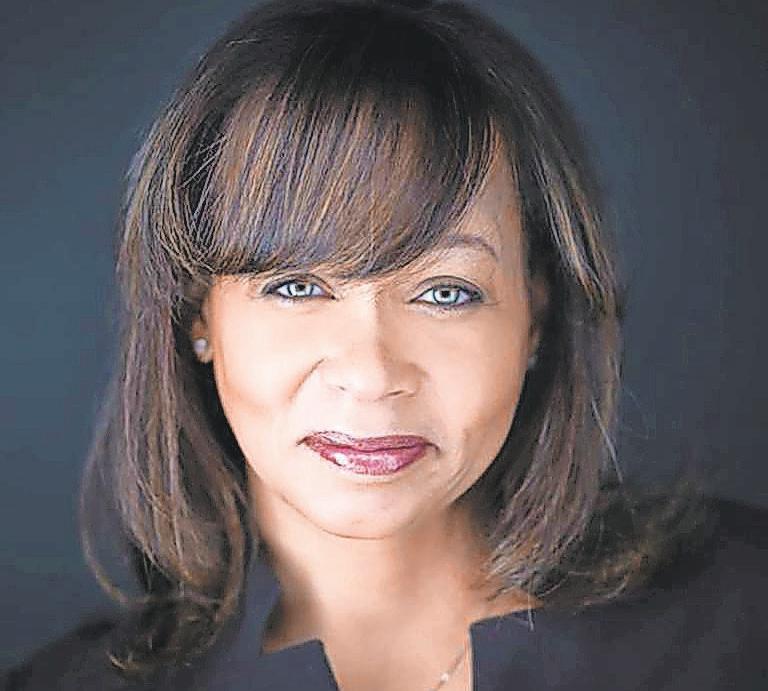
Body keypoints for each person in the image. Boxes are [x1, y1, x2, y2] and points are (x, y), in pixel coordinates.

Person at [4, 0, 766, 689]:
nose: (370, 374)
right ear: (196, 314)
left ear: (535, 319)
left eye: (446, 291)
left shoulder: (740, 622)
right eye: (297, 285)